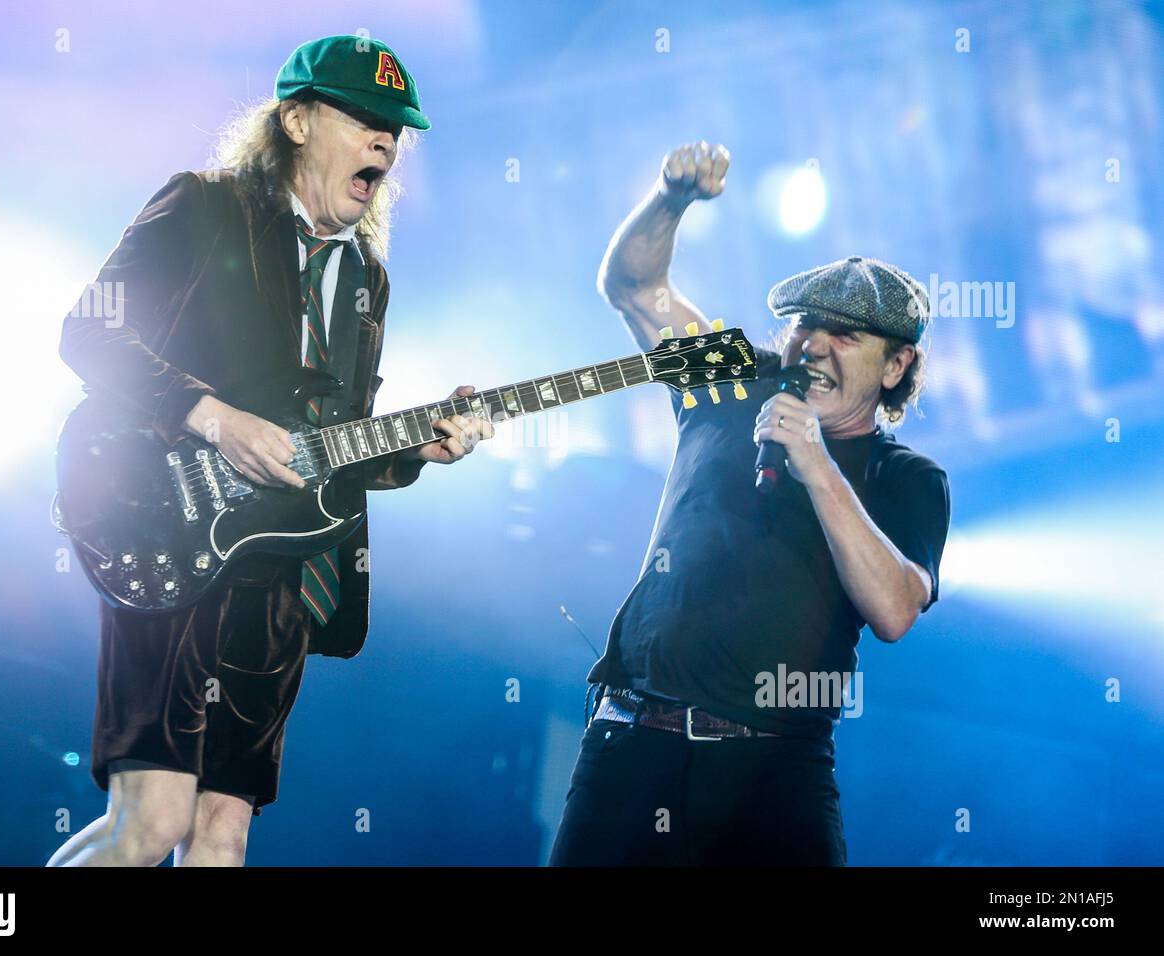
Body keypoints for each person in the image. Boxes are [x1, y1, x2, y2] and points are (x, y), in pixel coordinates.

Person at [48, 35, 491, 867]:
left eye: (396, 128)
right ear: (293, 119)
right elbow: (88, 329)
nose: (385, 141)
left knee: (222, 837)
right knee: (152, 822)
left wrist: (418, 448)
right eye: (363, 118)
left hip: (283, 568)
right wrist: (212, 416)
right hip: (170, 521)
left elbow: (330, 444)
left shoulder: (366, 278)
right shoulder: (205, 206)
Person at [549, 142, 951, 866]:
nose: (814, 345)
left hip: (773, 775)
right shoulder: (735, 380)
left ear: (896, 365)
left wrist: (816, 465)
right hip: (633, 747)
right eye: (805, 324)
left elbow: (894, 610)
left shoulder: (908, 478)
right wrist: (671, 198)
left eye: (845, 334)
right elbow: (636, 290)